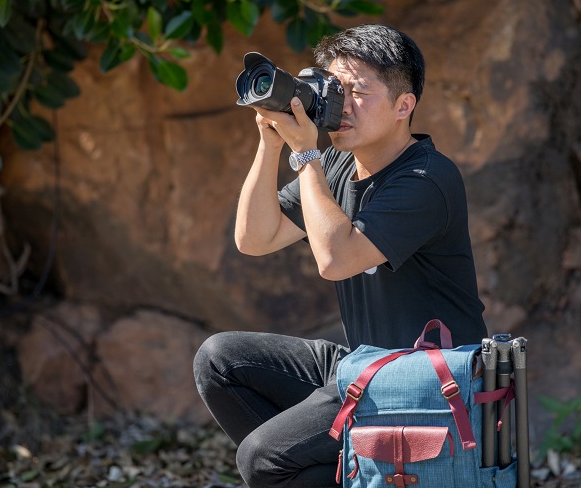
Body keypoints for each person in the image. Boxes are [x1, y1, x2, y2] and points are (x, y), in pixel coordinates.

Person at [193, 24, 487, 487]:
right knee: (220, 360)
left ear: (402, 107)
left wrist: (305, 153)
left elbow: (335, 260)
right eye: (334, 88)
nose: (340, 104)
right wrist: (271, 145)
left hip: (427, 381)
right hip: (362, 365)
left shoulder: (427, 179)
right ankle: (355, 473)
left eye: (358, 92)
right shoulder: (334, 164)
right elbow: (255, 238)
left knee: (262, 458)